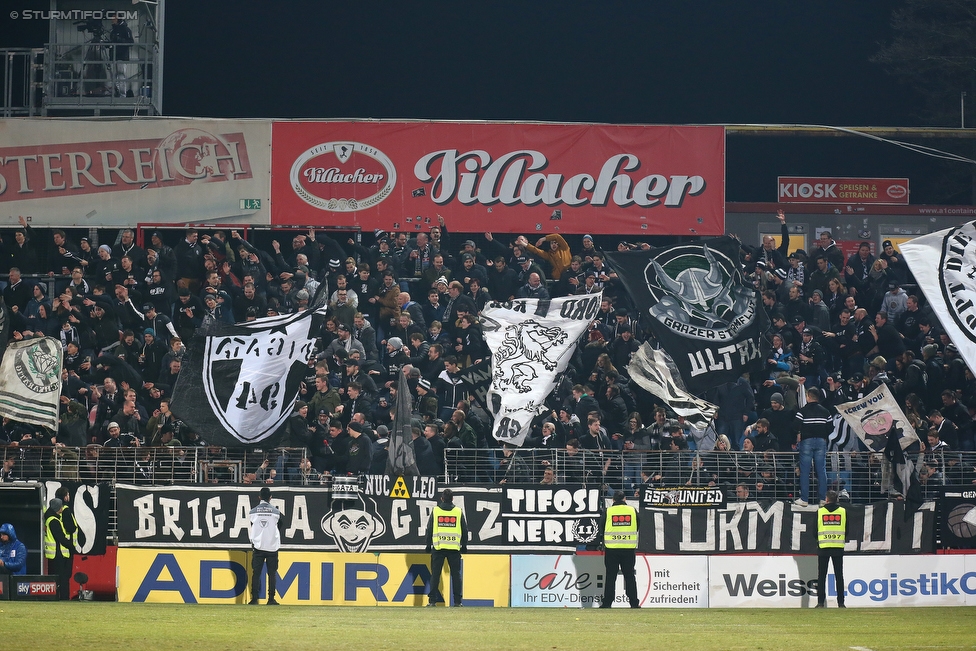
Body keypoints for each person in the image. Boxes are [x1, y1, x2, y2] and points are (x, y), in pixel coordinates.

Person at [425, 488, 467, 607]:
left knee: (435, 575)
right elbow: (464, 529)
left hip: (438, 548)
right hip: (454, 548)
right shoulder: (458, 511)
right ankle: (458, 602)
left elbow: (429, 529)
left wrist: (428, 545)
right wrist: (464, 545)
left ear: (442, 498)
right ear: (452, 499)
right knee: (456, 575)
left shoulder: (436, 511)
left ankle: (432, 601)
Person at [599, 490, 640, 609]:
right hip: (628, 547)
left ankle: (607, 603)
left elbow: (601, 526)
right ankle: (634, 603)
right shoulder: (632, 510)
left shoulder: (608, 511)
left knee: (611, 576)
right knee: (630, 576)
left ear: (613, 500)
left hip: (612, 548)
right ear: (625, 499)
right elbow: (638, 524)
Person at [794, 388, 831, 507]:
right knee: (821, 470)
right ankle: (823, 499)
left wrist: (799, 433)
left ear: (808, 397)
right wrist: (824, 435)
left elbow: (795, 425)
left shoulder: (803, 411)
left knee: (805, 471)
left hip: (806, 442)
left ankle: (804, 499)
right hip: (821, 441)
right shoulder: (826, 411)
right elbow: (831, 428)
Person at [248, 486, 284, 605]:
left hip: (258, 546)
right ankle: (271, 599)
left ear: (259, 497)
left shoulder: (253, 512)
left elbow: (252, 525)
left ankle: (254, 599)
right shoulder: (276, 512)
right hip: (272, 546)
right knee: (272, 574)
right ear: (270, 497)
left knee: (256, 573)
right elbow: (280, 525)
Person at [815, 489, 847, 608]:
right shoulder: (843, 511)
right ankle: (841, 603)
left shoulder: (820, 512)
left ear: (827, 499)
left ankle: (820, 602)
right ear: (836, 499)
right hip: (838, 547)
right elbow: (846, 529)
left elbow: (814, 530)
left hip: (823, 547)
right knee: (839, 575)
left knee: (821, 576)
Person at [44, 498, 72, 599]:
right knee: (62, 578)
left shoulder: (51, 519)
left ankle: (57, 597)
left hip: (54, 554)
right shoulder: (54, 521)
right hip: (58, 553)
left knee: (57, 578)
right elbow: (60, 537)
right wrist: (71, 546)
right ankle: (63, 597)